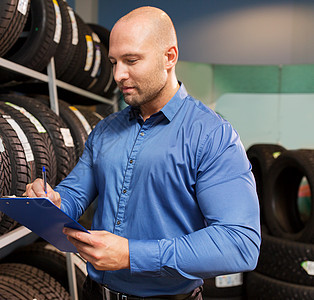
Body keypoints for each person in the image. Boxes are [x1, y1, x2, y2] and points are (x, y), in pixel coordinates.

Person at [24, 6, 261, 300]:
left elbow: (240, 244)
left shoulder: (212, 135)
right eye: (113, 62)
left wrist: (132, 255)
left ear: (169, 57)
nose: (118, 75)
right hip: (95, 293)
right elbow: (73, 194)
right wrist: (50, 202)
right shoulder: (105, 130)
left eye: (131, 60)